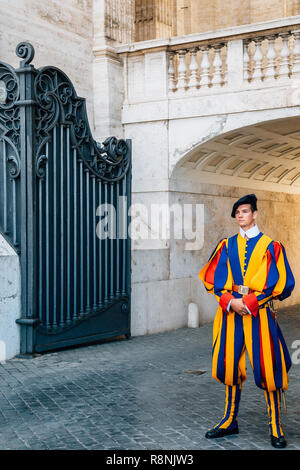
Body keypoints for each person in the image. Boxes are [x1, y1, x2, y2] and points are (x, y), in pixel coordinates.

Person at [198, 194, 295, 449]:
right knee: (228, 366)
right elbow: (214, 280)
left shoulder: (271, 246)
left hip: (259, 314)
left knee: (268, 366)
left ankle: (275, 426)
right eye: (237, 213)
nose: (240, 216)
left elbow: (282, 284)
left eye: (244, 211)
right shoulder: (226, 246)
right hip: (231, 314)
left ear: (255, 214)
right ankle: (229, 420)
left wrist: (250, 303)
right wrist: (231, 302)